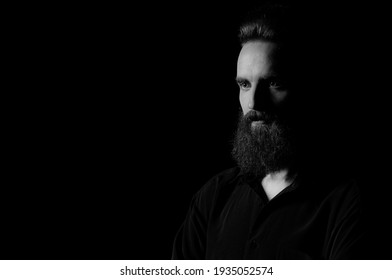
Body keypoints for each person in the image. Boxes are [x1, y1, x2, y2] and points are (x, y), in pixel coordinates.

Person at [172, 2, 367, 259]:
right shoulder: (212, 198)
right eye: (244, 84)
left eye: (273, 83)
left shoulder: (346, 203)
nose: (253, 102)